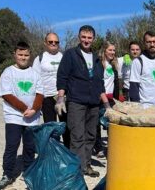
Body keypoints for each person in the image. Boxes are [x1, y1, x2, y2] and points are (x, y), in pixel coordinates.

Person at [56, 25, 108, 177]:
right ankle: (76, 169)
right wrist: (60, 98)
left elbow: (100, 83)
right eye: (83, 37)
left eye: (89, 38)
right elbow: (62, 76)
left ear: (93, 39)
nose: (86, 40)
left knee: (90, 135)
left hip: (93, 104)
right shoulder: (71, 54)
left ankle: (86, 165)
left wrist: (106, 105)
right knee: (77, 135)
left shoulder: (97, 59)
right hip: (76, 102)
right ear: (79, 38)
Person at [0, 41, 43, 190]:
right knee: (12, 146)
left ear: (30, 56)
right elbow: (6, 94)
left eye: (26, 55)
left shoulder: (35, 73)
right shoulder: (8, 72)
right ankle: (7, 175)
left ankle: (28, 173)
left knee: (29, 147)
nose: (23, 57)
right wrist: (23, 109)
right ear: (14, 55)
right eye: (20, 54)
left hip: (32, 118)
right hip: (14, 116)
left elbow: (40, 94)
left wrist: (34, 109)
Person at [32, 32, 69, 148]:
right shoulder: (40, 58)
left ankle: (67, 151)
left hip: (62, 97)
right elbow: (35, 79)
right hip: (47, 97)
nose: (54, 44)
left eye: (56, 42)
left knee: (66, 126)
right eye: (51, 42)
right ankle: (53, 152)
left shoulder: (63, 57)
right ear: (45, 43)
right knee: (50, 127)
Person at [93, 41, 120, 158]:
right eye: (110, 50)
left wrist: (118, 97)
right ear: (104, 50)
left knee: (112, 124)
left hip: (111, 98)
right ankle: (98, 148)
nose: (112, 52)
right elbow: (97, 82)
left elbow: (115, 83)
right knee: (96, 124)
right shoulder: (99, 64)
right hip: (100, 98)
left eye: (114, 50)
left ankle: (113, 147)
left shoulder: (113, 65)